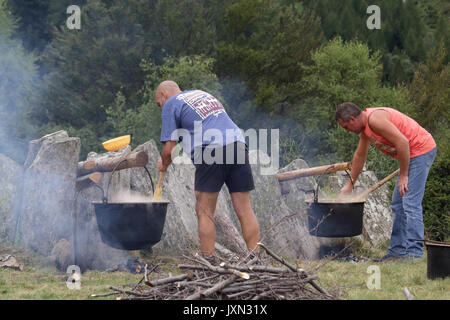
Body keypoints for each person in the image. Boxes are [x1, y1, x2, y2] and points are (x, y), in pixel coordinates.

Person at [155, 80, 260, 261]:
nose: (161, 107)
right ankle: (256, 260)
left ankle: (209, 264)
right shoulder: (201, 94)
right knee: (244, 208)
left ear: (163, 95)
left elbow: (168, 149)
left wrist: (164, 163)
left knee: (204, 211)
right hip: (237, 144)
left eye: (159, 104)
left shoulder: (171, 103)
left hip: (210, 149)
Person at [335, 102, 437, 261]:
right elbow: (360, 156)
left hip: (421, 150)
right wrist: (350, 184)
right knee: (398, 203)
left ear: (353, 119)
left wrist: (404, 175)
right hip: (412, 153)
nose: (347, 131)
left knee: (410, 202)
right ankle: (397, 252)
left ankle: (414, 253)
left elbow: (403, 142)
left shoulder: (375, 120)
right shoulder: (365, 130)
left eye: (346, 127)